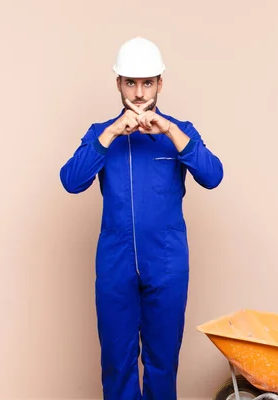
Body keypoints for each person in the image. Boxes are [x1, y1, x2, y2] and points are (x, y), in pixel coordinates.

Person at [59, 37, 224, 400]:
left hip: (166, 264)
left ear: (159, 84)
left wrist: (169, 130)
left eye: (147, 82)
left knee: (162, 363)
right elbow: (71, 181)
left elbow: (213, 176)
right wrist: (112, 132)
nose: (138, 93)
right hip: (116, 264)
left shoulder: (180, 131)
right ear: (118, 83)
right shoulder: (101, 133)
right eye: (130, 83)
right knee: (117, 363)